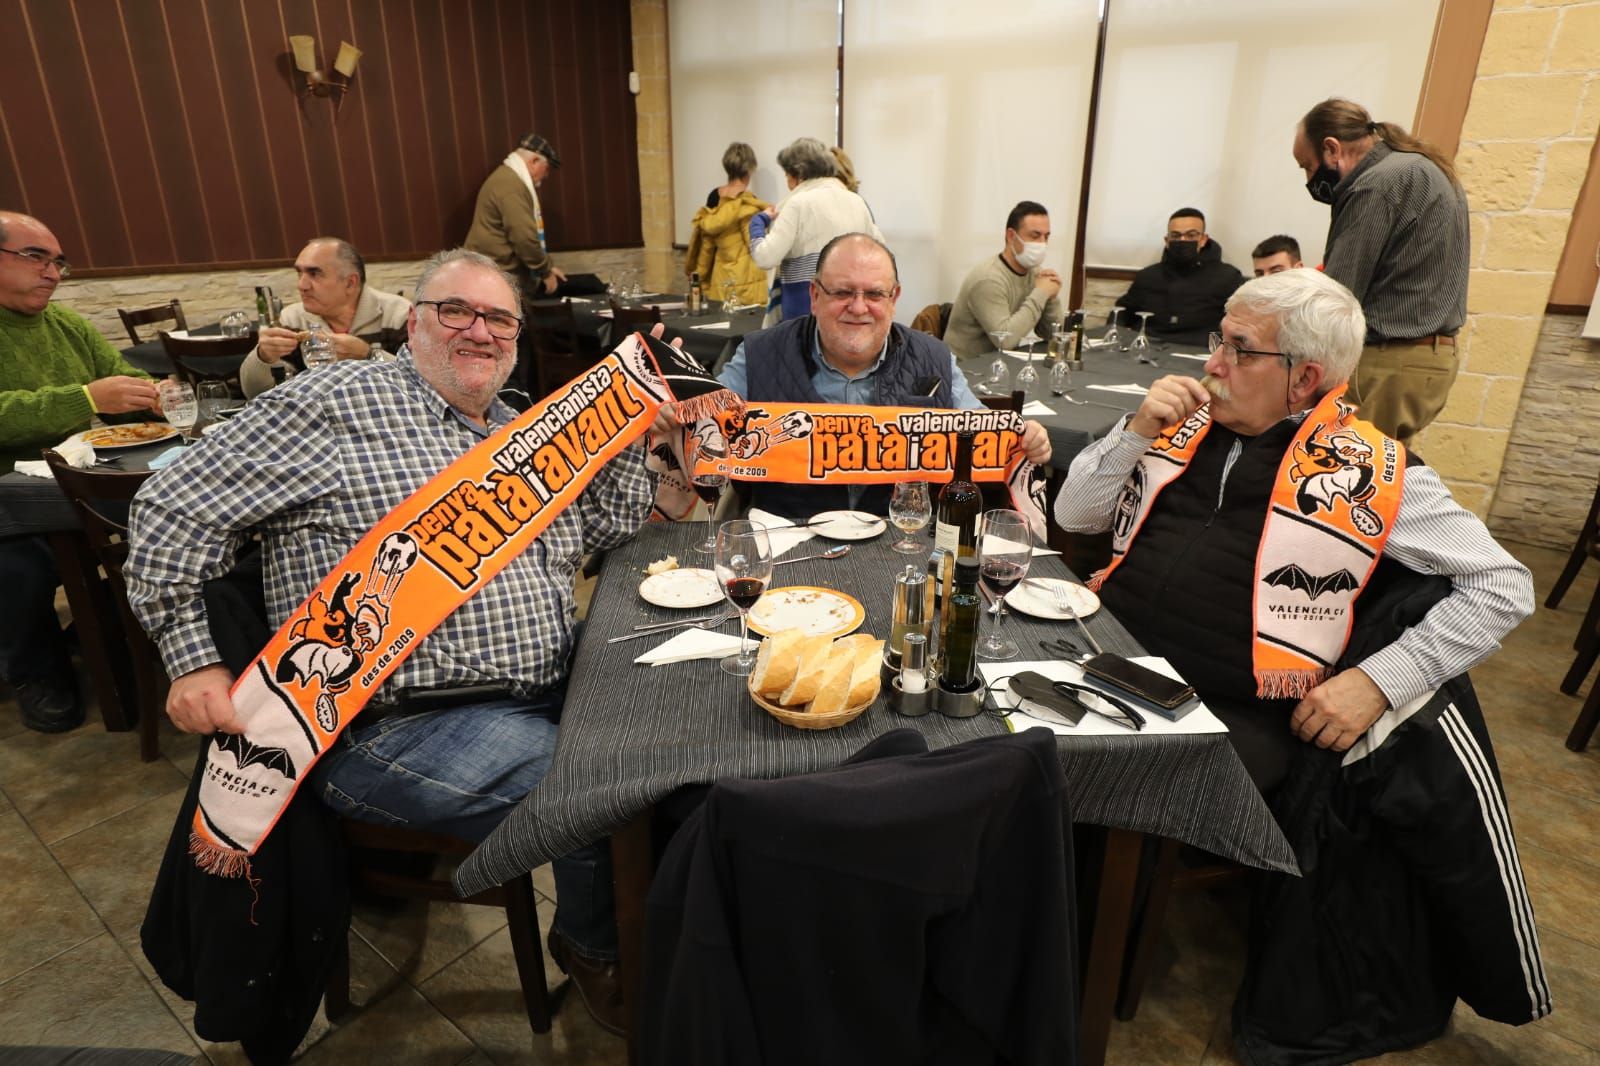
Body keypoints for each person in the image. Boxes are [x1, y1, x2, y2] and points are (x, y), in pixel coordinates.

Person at [125, 248, 650, 1035]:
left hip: (541, 686)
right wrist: (192, 654)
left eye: (498, 317)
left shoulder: (519, 431)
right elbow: (171, 503)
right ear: (413, 322)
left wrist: (648, 443)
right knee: (611, 785)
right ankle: (595, 944)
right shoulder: (337, 403)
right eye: (456, 311)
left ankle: (662, 931)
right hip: (393, 727)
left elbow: (603, 530)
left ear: (517, 336)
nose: (480, 330)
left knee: (690, 725)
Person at [1054, 267, 1545, 1064]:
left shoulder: (1374, 471)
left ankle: (1061, 966)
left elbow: (1502, 585)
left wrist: (1381, 678)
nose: (1212, 361)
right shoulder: (1181, 425)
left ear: (1305, 378)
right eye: (1220, 339)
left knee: (1066, 772)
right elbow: (1073, 513)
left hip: (1230, 710)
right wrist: (1134, 431)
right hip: (1101, 649)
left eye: (1237, 349)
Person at [714, 232, 1051, 517]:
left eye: (875, 294)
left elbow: (982, 434)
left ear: (894, 299)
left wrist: (1024, 440)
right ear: (815, 297)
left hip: (900, 545)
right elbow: (703, 424)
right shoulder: (760, 354)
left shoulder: (934, 358)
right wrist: (671, 400)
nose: (859, 307)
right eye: (842, 292)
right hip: (784, 549)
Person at [0, 210, 159, 733]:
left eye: (58, 261)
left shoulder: (64, 323)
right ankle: (35, 672)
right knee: (21, 567)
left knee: (155, 529)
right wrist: (86, 397)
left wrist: (152, 398)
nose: (52, 272)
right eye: (35, 257)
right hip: (6, 495)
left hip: (71, 480)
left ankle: (100, 638)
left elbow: (122, 376)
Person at [1295, 98, 1469, 445]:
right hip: (1425, 360)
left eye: (1307, 166)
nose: (1309, 179)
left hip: (1387, 362)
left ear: (1332, 149)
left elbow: (1337, 297)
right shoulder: (1421, 168)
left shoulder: (1376, 183)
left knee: (1340, 474)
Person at [238, 237, 411, 398]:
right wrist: (263, 356)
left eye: (314, 274)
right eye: (299, 273)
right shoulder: (293, 319)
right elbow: (255, 393)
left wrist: (369, 355)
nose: (301, 285)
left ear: (350, 283)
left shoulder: (398, 314)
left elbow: (423, 383)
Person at [749, 138, 882, 321]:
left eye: (787, 175)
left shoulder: (797, 204)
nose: (788, 183)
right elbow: (880, 250)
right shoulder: (856, 202)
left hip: (805, 310)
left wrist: (758, 222)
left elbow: (765, 257)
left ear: (798, 174)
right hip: (851, 308)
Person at [944, 200, 1065, 357]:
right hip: (967, 369)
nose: (1042, 243)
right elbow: (1005, 341)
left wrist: (1051, 298)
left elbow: (1053, 335)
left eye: (1046, 237)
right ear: (1011, 236)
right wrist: (1041, 293)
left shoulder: (1035, 273)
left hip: (1001, 363)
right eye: (1035, 236)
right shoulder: (988, 279)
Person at [1114, 208, 1244, 347]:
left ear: (1203, 239)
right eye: (1175, 236)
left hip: (1199, 352)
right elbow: (1122, 310)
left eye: (1191, 235)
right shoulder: (1147, 275)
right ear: (1167, 240)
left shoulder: (1228, 276)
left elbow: (1241, 322)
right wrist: (1118, 334)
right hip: (1148, 348)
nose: (1182, 240)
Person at [464, 133, 569, 297]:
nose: (546, 175)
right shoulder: (512, 186)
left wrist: (547, 267)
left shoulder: (507, 178)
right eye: (547, 168)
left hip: (489, 272)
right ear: (534, 161)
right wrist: (545, 271)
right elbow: (524, 237)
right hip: (495, 277)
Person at [685, 142, 770, 309]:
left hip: (720, 280)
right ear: (749, 170)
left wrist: (699, 276)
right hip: (748, 285)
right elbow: (754, 246)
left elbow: (706, 246)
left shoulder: (713, 198)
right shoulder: (748, 203)